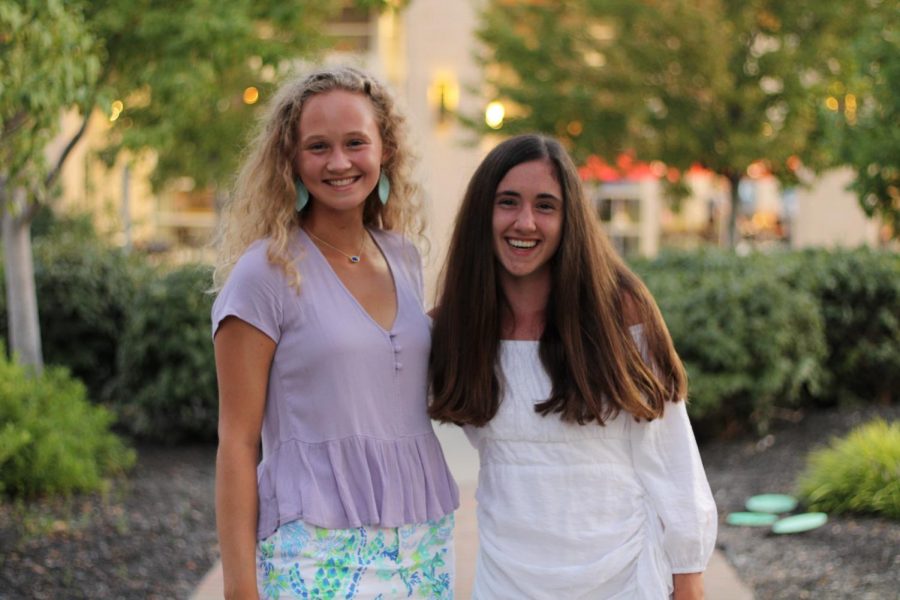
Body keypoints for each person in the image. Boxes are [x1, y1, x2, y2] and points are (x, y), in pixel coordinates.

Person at [429, 134, 717, 599]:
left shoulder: (620, 312)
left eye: (546, 206)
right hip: (508, 583)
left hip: (622, 579)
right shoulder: (457, 329)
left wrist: (688, 574)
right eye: (508, 202)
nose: (525, 222)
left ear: (569, 220)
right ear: (483, 212)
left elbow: (670, 454)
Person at [211, 66, 458, 600]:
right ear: (291, 160)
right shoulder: (265, 274)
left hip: (422, 543)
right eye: (318, 146)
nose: (339, 162)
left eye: (355, 143)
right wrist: (238, 589)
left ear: (385, 150)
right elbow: (236, 441)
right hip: (314, 548)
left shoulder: (403, 257)